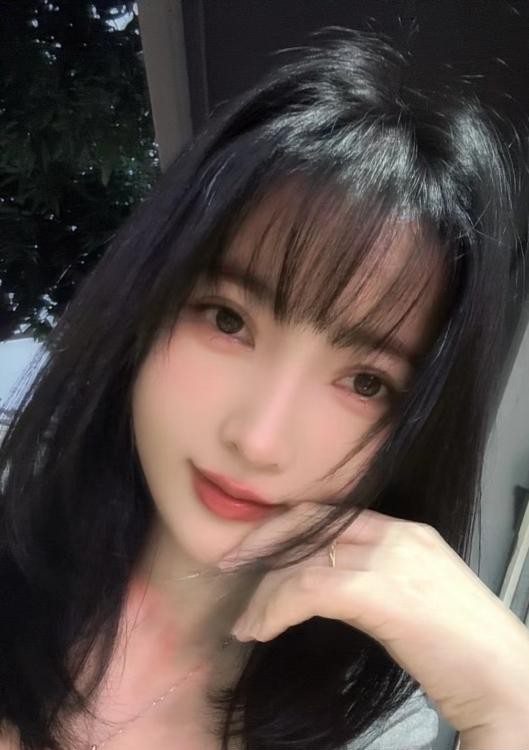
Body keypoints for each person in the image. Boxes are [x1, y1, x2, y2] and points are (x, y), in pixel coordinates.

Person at [0, 28, 528, 750]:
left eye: (365, 382)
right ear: (145, 301)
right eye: (228, 320)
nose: (258, 440)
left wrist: (510, 704)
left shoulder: (370, 729)